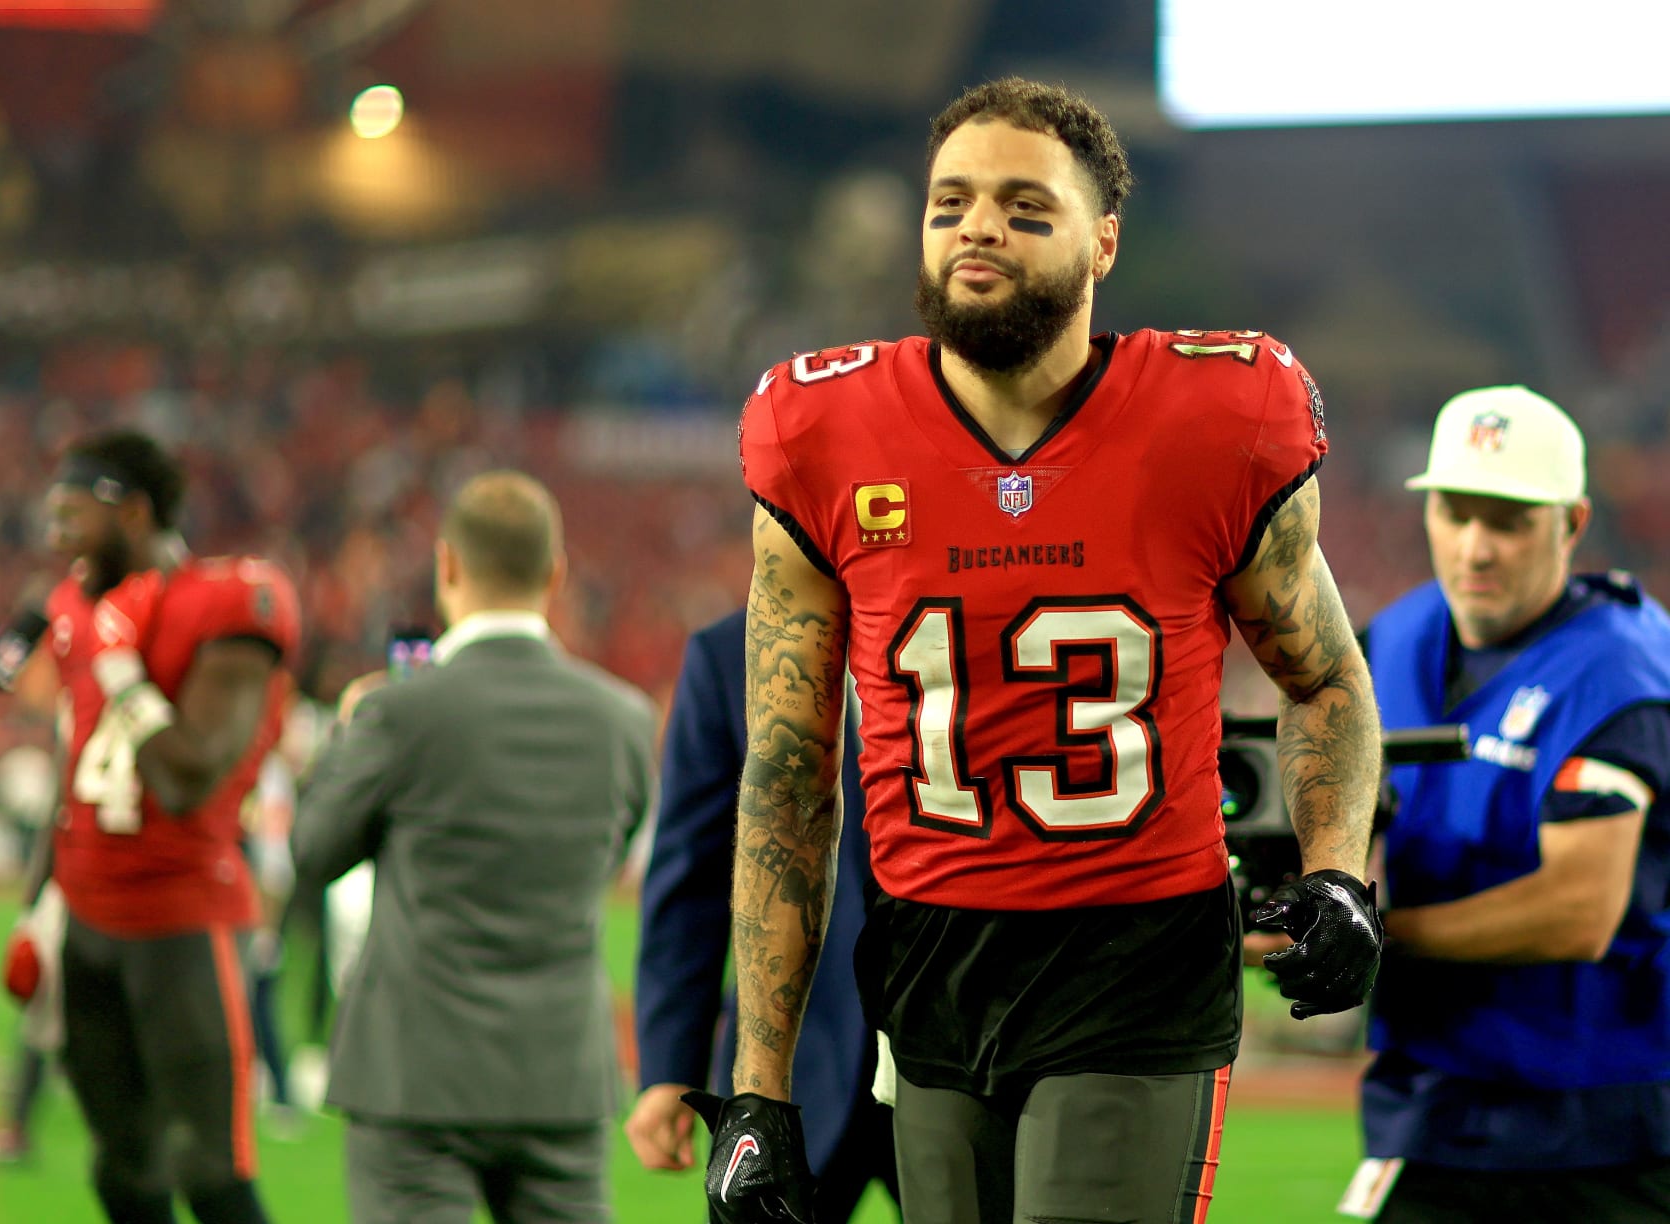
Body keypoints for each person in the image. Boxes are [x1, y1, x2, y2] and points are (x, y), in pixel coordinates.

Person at [706, 77, 1388, 1224]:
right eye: (952, 202)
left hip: (1135, 956)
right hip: (927, 962)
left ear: (1103, 241)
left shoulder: (1215, 419)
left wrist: (1335, 871)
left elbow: (1325, 679)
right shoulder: (820, 433)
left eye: (1027, 207)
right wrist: (757, 1093)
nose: (979, 225)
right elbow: (784, 781)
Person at [291, 470, 656, 1224]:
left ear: (446, 566)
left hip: (413, 1078)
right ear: (555, 574)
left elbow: (312, 849)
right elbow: (610, 850)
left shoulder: (398, 710)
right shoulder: (622, 718)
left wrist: (350, 733)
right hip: (560, 1075)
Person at [1350, 386, 1670, 1222]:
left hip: (1600, 1126)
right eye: (1456, 514)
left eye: (1509, 520)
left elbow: (1578, 911)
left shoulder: (1619, 673)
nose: (1475, 548)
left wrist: (1372, 937)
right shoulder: (1399, 636)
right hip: (1432, 1105)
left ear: (1571, 524)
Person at [42, 430, 300, 1224]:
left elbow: (188, 775)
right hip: (86, 924)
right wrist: (37, 906)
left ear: (134, 512)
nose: (59, 539)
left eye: (74, 518)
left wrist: (124, 676)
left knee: (213, 1179)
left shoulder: (228, 598)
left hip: (180, 922)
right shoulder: (75, 607)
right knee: (125, 1174)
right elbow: (74, 775)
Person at [626, 607, 899, 1221]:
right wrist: (670, 1064)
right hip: (790, 1076)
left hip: (952, 1062)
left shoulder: (957, 624)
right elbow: (691, 872)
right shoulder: (727, 654)